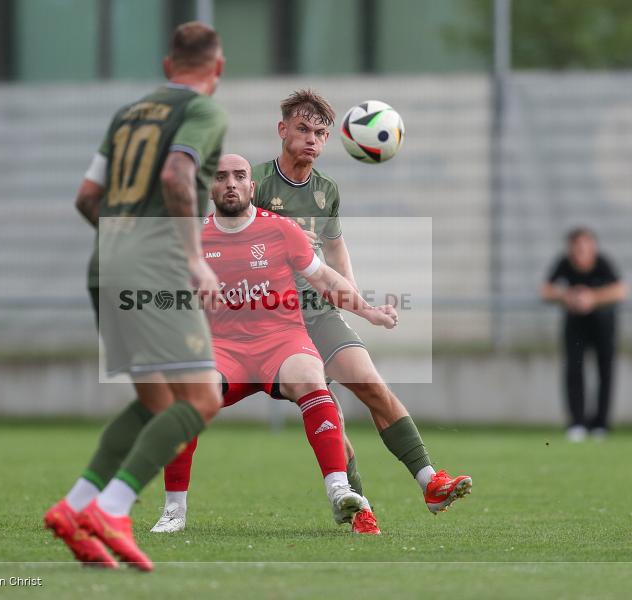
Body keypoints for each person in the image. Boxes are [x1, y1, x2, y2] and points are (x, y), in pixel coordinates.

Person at [152, 90, 472, 533]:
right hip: (270, 317)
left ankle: (430, 480)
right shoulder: (254, 181)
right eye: (303, 129)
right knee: (329, 412)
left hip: (317, 312)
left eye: (321, 133)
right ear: (282, 130)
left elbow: (335, 252)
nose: (312, 140)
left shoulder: (326, 190)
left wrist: (356, 301)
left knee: (371, 385)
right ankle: (360, 509)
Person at [43, 21, 228, 571]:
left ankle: (74, 508)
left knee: (157, 405)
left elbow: (86, 198)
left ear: (168, 66)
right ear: (217, 68)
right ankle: (112, 509)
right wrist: (192, 258)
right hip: (155, 269)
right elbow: (176, 175)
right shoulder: (204, 111)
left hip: (105, 265)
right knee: (203, 399)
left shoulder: (126, 115)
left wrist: (123, 242)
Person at [151, 154, 396, 535]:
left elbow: (325, 279)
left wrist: (369, 312)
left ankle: (339, 490)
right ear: (210, 189)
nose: (230, 183)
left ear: (252, 187)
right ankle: (173, 511)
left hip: (281, 342)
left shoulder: (281, 229)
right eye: (221, 177)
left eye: (239, 176)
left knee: (312, 377)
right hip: (224, 348)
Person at [540, 227, 629, 441]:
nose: (581, 250)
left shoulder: (603, 263)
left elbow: (621, 290)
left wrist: (592, 298)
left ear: (592, 246)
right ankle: (577, 423)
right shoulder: (564, 263)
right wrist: (567, 296)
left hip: (603, 325)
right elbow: (545, 290)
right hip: (576, 326)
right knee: (574, 371)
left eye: (586, 245)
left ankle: (601, 425)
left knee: (605, 372)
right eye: (577, 246)